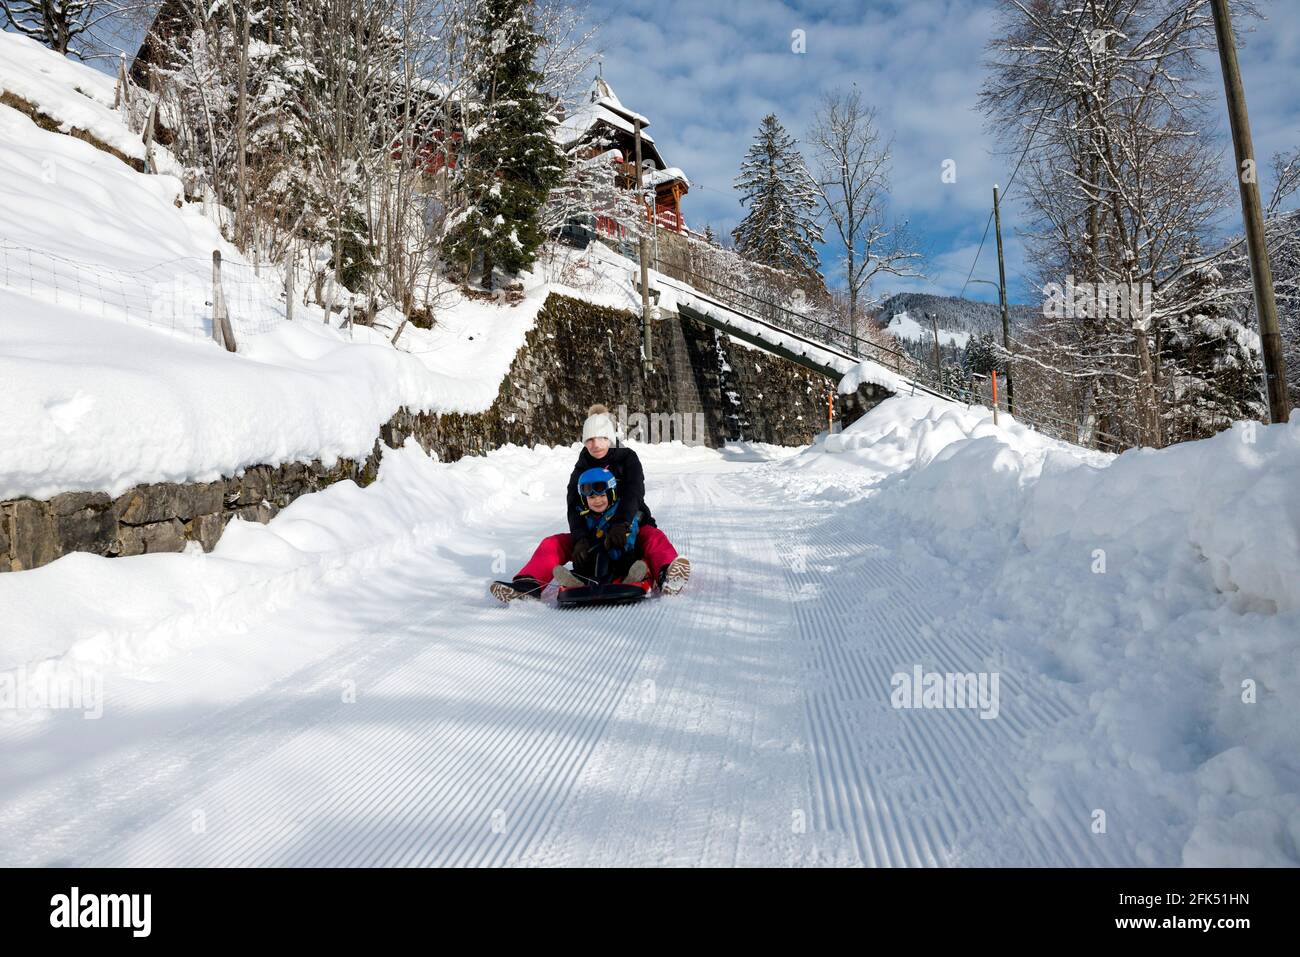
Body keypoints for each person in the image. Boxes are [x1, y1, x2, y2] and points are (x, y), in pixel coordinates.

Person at [491, 404, 690, 602]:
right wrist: (580, 539)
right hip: (591, 529)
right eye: (590, 440)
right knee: (553, 543)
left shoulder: (627, 459)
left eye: (602, 438)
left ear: (611, 438)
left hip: (630, 524)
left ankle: (667, 575)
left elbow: (634, 492)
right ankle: (527, 585)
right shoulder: (581, 468)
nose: (596, 444)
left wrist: (622, 523)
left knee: (653, 538)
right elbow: (573, 505)